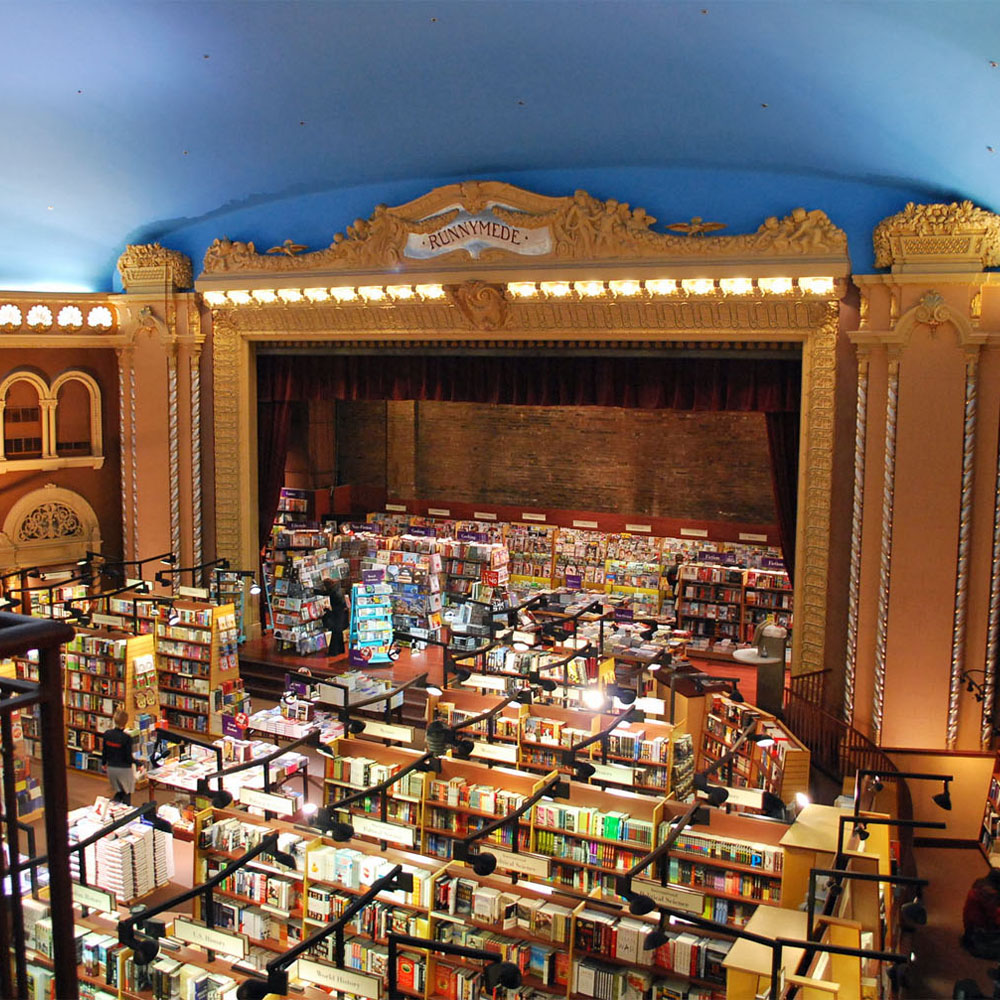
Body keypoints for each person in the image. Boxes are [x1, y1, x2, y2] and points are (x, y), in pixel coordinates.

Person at [101, 709, 144, 805]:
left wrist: (103, 763)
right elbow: (128, 757)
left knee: (119, 792)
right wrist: (139, 764)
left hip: (111, 769)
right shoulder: (126, 738)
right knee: (126, 795)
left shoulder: (107, 734)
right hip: (124, 770)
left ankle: (112, 808)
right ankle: (125, 816)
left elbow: (104, 752)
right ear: (126, 722)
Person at [961, 868, 1000, 958]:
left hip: (971, 929)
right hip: (980, 933)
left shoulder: (980, 887)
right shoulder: (990, 895)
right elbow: (995, 919)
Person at [319, 579, 349, 656]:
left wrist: (328, 610)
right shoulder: (337, 589)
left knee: (335, 634)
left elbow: (336, 606)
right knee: (338, 634)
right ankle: (340, 650)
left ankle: (333, 652)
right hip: (342, 615)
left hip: (337, 615)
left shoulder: (334, 593)